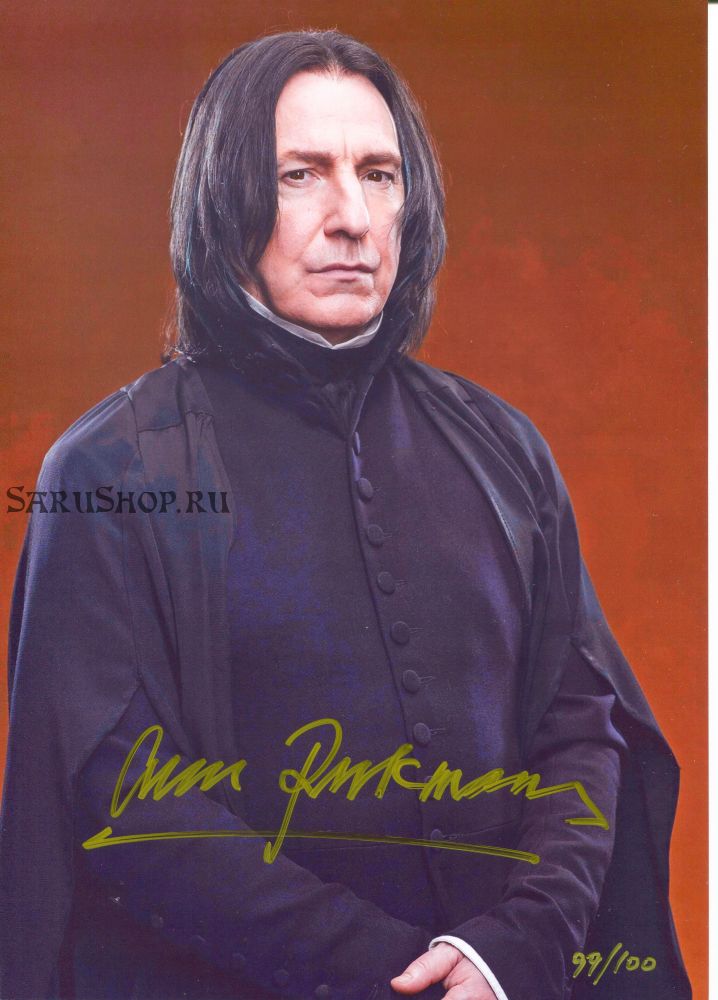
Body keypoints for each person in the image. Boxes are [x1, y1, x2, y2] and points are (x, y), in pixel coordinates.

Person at [0, 29, 690, 1000]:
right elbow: (124, 799)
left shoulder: (504, 449)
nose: (353, 218)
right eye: (301, 175)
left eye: (378, 174)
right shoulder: (108, 470)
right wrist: (395, 975)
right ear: (225, 198)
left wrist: (515, 947)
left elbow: (582, 727)